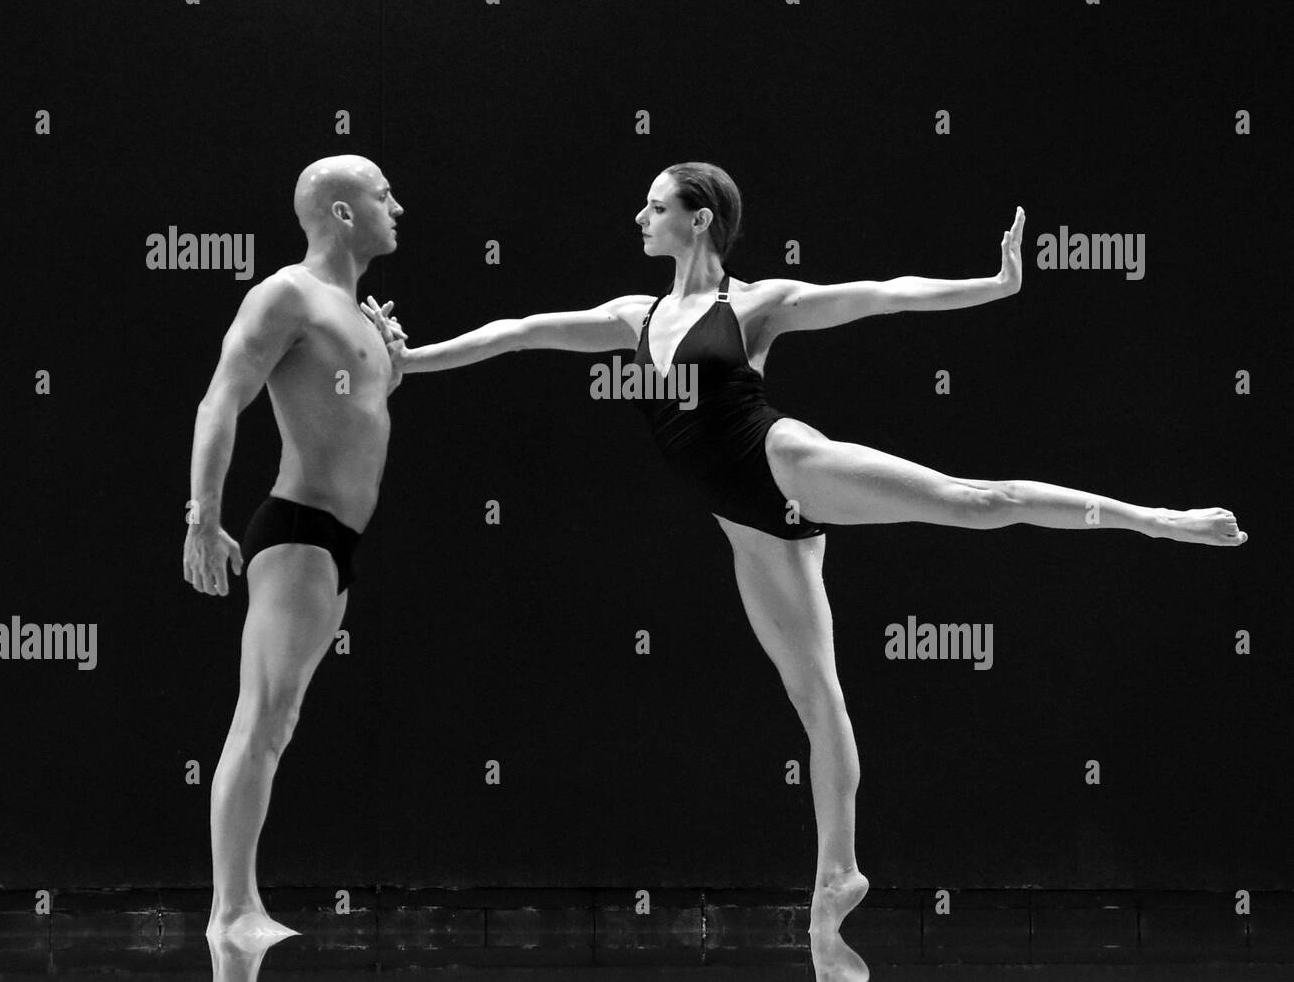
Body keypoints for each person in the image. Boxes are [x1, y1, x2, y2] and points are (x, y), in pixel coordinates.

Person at [362, 161, 1245, 935]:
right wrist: (413, 360)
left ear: (698, 218)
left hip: (783, 466)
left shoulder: (755, 305)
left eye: (654, 205)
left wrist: (995, 283)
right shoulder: (631, 314)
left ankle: (1157, 519)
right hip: (747, 529)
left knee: (974, 501)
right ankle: (839, 874)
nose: (639, 217)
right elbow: (517, 332)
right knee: (815, 697)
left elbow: (884, 293)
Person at [185, 154, 405, 940]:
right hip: (298, 530)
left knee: (280, 720)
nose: (397, 207)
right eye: (383, 196)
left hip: (335, 541)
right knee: (264, 715)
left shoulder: (361, 314)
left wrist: (389, 359)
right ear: (342, 214)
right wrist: (201, 518)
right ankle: (232, 908)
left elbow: (351, 411)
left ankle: (238, 903)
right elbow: (222, 397)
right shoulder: (287, 294)